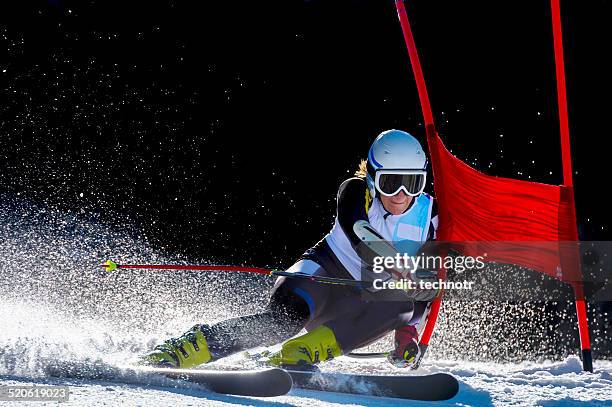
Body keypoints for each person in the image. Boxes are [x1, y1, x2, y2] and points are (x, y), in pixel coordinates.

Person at [141, 129, 439, 370]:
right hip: (322, 273)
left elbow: (431, 278)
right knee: (283, 322)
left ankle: (299, 354)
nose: (401, 195)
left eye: (413, 183)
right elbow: (358, 229)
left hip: (357, 307)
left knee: (401, 304)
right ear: (373, 177)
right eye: (391, 183)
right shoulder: (355, 190)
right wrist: (393, 261)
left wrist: (408, 332)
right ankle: (190, 347)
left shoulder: (430, 216)